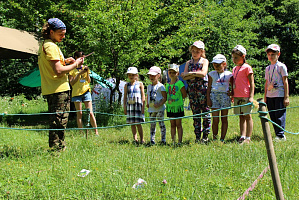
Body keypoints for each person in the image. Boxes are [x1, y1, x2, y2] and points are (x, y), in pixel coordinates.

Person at [38, 18, 84, 151]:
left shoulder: (45, 45)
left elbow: (53, 65)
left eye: (64, 34)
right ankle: (57, 150)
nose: (63, 36)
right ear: (51, 32)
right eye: (60, 34)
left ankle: (56, 148)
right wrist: (75, 65)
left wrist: (64, 61)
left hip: (51, 88)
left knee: (56, 120)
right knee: (59, 121)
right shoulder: (51, 46)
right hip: (58, 89)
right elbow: (58, 71)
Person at [181, 40, 211, 143]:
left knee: (206, 113)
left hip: (203, 90)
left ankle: (205, 136)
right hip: (192, 91)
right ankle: (197, 137)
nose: (195, 53)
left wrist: (191, 74)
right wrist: (194, 74)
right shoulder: (188, 63)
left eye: (197, 51)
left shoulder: (204, 61)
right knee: (196, 114)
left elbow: (203, 73)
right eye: (193, 51)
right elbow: (184, 76)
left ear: (202, 52)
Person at [68, 51, 98, 136]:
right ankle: (81, 133)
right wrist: (79, 74)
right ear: (76, 58)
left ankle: (96, 132)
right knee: (79, 113)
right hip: (76, 93)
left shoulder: (85, 68)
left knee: (90, 112)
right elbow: (72, 83)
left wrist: (86, 72)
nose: (82, 60)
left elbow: (89, 81)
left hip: (86, 91)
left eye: (83, 58)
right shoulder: (71, 69)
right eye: (81, 58)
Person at [264, 44, 289, 141]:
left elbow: (285, 81)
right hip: (270, 95)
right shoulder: (267, 68)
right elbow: (266, 83)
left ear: (278, 54)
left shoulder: (281, 66)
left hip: (279, 94)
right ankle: (277, 134)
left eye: (273, 54)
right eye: (269, 54)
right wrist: (265, 96)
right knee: (272, 115)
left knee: (279, 115)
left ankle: (281, 135)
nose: (271, 56)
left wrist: (286, 97)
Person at [231, 45, 254, 144]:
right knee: (241, 116)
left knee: (247, 116)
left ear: (243, 57)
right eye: (233, 57)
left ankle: (248, 137)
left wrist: (251, 97)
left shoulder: (247, 68)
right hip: (237, 95)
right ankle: (242, 135)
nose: (234, 59)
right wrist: (232, 94)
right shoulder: (234, 68)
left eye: (236, 57)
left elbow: (252, 83)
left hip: (245, 95)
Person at [207, 54, 233, 143]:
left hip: (224, 96)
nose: (216, 67)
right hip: (214, 96)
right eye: (215, 65)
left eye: (218, 65)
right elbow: (209, 87)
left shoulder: (229, 74)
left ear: (224, 64)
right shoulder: (211, 74)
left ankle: (222, 138)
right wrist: (208, 98)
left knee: (224, 118)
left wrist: (232, 93)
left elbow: (233, 85)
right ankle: (214, 138)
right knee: (215, 119)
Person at [166, 64, 187, 145]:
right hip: (170, 107)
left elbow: (184, 94)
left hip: (178, 107)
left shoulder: (180, 83)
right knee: (172, 124)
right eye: (170, 72)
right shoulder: (167, 85)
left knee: (178, 124)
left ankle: (179, 141)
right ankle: (173, 141)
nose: (171, 74)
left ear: (177, 73)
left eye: (173, 72)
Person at [123, 67, 145, 144]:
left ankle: (142, 138)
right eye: (129, 75)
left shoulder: (140, 84)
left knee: (138, 123)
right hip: (130, 106)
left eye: (133, 75)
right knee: (132, 123)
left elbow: (143, 96)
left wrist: (143, 107)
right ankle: (135, 138)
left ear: (136, 75)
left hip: (138, 106)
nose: (131, 76)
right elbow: (125, 96)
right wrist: (124, 107)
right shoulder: (126, 85)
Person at [146, 66, 167, 145]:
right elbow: (148, 95)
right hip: (151, 109)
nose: (151, 77)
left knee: (161, 124)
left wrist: (159, 104)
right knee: (152, 124)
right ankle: (152, 139)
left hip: (159, 109)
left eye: (153, 75)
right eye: (150, 75)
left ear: (158, 75)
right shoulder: (149, 86)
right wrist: (147, 103)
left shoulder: (161, 86)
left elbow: (165, 97)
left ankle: (163, 139)